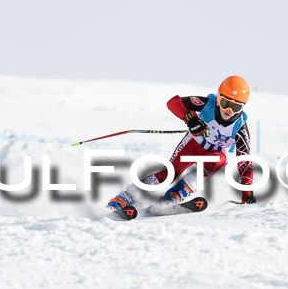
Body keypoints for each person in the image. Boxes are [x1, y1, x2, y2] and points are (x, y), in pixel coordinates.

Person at [107, 76, 256, 211]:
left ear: (243, 107)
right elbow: (173, 103)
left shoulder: (240, 128)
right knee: (168, 174)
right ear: (218, 99)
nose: (229, 110)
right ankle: (125, 197)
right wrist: (190, 119)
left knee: (216, 162)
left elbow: (244, 164)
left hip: (214, 155)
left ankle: (171, 198)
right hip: (192, 144)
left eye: (236, 107)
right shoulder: (207, 104)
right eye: (225, 103)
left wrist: (247, 193)